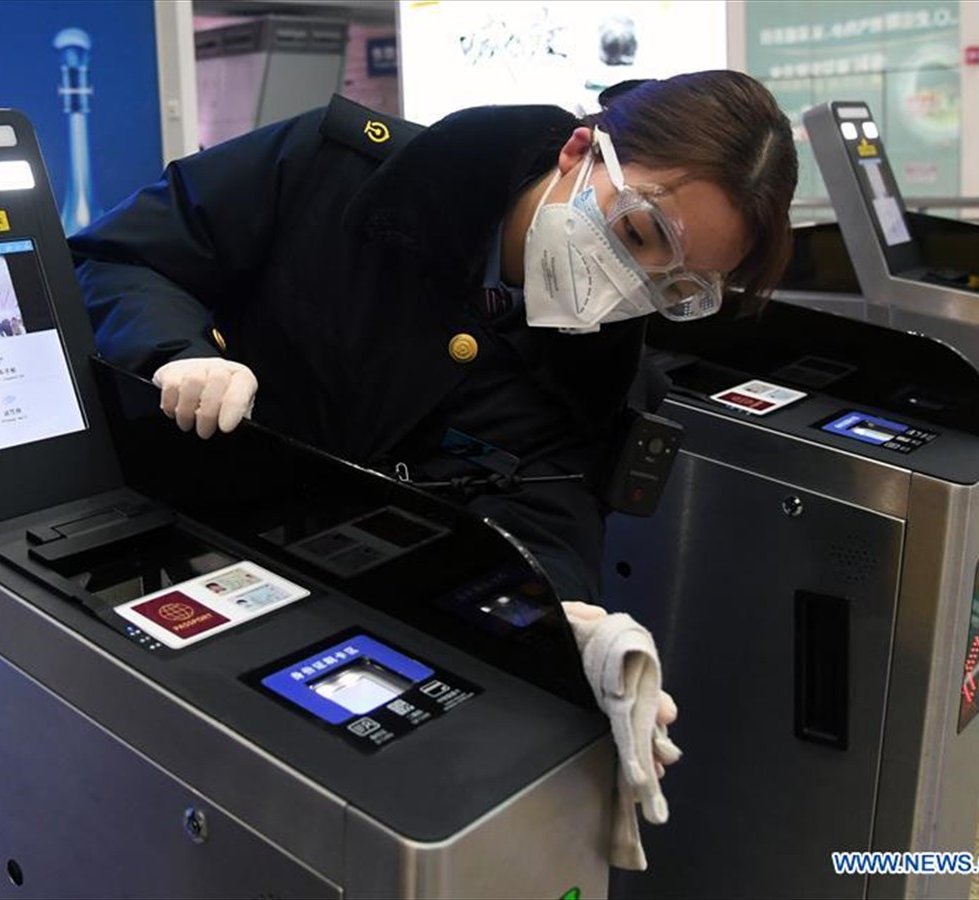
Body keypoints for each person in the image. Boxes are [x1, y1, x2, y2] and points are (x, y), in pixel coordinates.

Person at [68, 70, 798, 795]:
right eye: (636, 232)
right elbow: (120, 256)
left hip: (340, 656)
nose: (629, 286)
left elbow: (546, 516)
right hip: (171, 575)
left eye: (671, 287)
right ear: (579, 151)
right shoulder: (335, 171)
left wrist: (556, 615)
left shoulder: (599, 377)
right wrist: (176, 350)